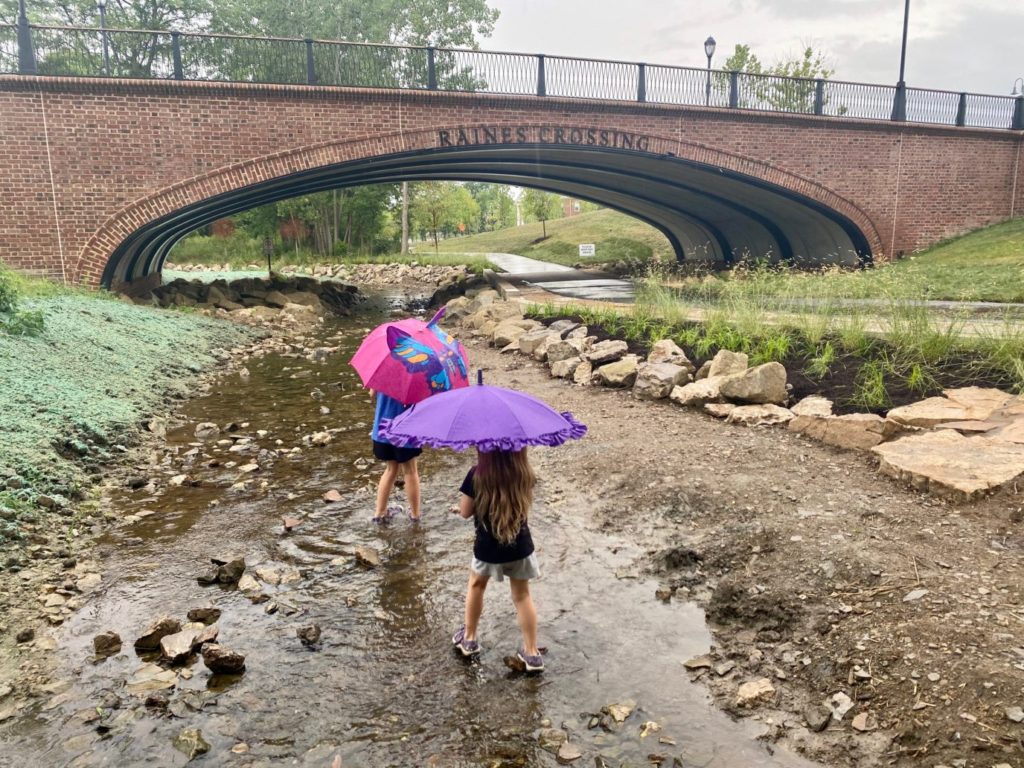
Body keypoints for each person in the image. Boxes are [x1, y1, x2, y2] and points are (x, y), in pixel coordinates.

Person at [451, 448, 543, 672]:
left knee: (476, 586)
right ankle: (531, 653)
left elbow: (465, 512)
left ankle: (470, 639)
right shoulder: (524, 473)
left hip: (487, 548)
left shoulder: (477, 474)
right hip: (519, 546)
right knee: (522, 596)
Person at [369, 388, 421, 523]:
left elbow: (371, 394)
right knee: (410, 471)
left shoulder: (383, 371)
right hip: (406, 430)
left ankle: (379, 513)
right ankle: (415, 515)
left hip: (383, 429)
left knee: (390, 470)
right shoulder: (417, 371)